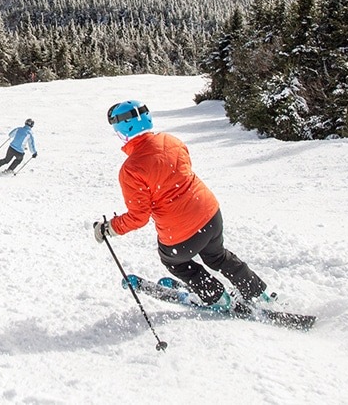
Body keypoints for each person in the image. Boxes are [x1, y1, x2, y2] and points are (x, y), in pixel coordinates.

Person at [92, 100, 270, 310]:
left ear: (122, 130)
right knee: (217, 256)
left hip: (181, 235)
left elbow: (139, 217)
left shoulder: (131, 169)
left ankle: (217, 298)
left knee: (175, 262)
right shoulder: (172, 141)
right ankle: (259, 293)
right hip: (211, 215)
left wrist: (109, 228)